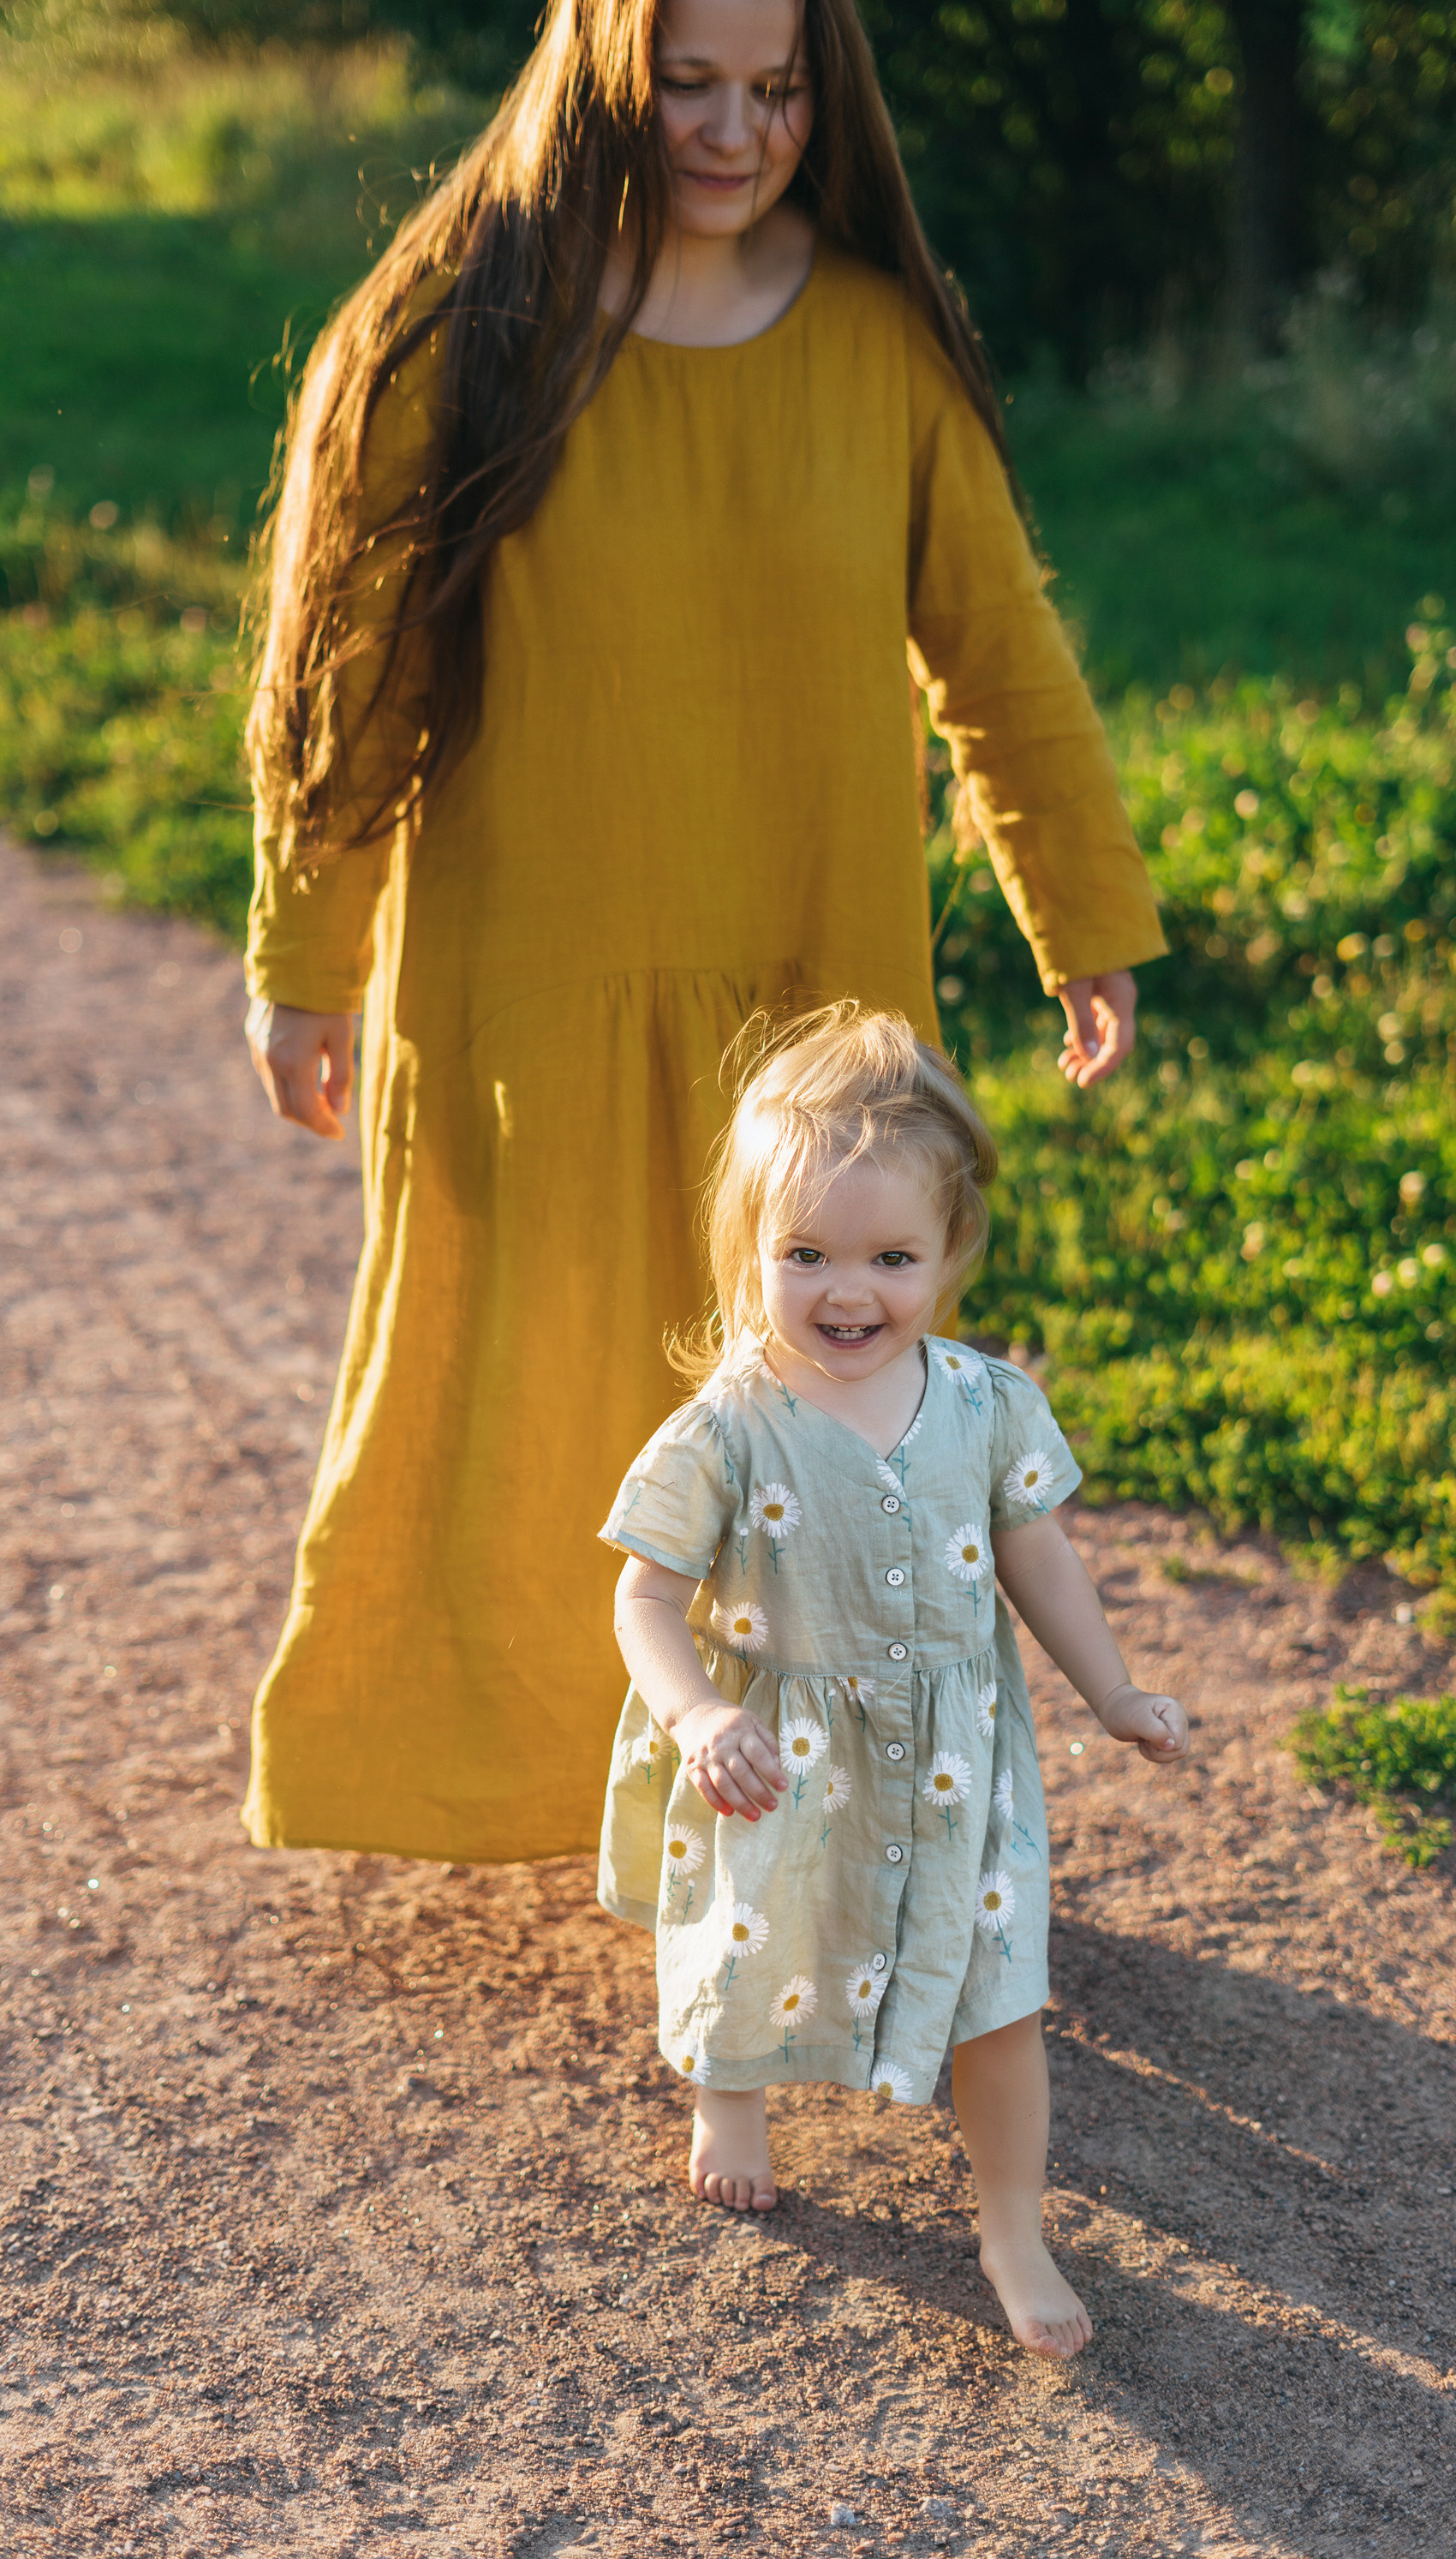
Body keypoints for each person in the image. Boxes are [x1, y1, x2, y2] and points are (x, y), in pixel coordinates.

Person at [240, 0, 1167, 1866]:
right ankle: (513, 1778)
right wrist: (303, 957)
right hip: (526, 977)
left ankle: (822, 1806)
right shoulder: (456, 335)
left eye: (777, 91)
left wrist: (1078, 908)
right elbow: (354, 671)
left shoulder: (879, 339)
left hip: (814, 991)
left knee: (825, 1406)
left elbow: (995, 653)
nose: (733, 132)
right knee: (535, 1385)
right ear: (602, 71)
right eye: (687, 85)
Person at [599, 1006, 1188, 2358]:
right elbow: (641, 1593)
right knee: (760, 1933)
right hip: (784, 1747)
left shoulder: (986, 1405)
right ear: (747, 1252)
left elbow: (1040, 1561)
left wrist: (1113, 1693)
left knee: (1001, 1992)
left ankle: (1012, 2223)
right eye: (803, 1253)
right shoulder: (728, 1426)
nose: (845, 1289)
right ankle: (729, 2093)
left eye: (888, 1256)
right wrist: (698, 1712)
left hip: (959, 1759)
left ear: (949, 1251)